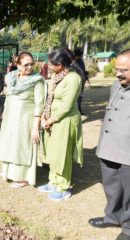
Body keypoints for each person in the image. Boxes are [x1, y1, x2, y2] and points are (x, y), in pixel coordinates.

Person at [88, 49, 130, 240]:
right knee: (111, 185)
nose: (119, 73)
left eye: (125, 70)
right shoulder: (116, 85)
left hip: (128, 150)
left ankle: (128, 229)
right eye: (117, 69)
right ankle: (112, 217)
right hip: (109, 146)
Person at [37, 48, 84, 201]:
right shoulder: (56, 76)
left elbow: (67, 105)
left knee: (62, 154)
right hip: (52, 120)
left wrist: (50, 120)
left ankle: (63, 187)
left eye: (52, 64)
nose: (49, 67)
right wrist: (44, 116)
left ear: (61, 64)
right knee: (53, 153)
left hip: (65, 120)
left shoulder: (73, 79)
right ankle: (53, 182)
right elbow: (49, 98)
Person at [0, 52, 45, 188]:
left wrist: (36, 127)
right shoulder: (10, 78)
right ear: (18, 65)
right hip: (10, 118)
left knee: (22, 146)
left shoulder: (37, 81)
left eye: (31, 64)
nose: (30, 67)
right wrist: (4, 114)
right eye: (26, 64)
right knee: (10, 144)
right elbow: (8, 98)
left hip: (25, 121)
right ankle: (8, 172)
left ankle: (23, 178)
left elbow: (39, 105)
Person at [73, 48, 90, 115]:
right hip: (73, 82)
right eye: (77, 56)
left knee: (80, 96)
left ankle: (79, 110)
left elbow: (82, 70)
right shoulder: (70, 61)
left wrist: (85, 74)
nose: (78, 57)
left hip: (81, 81)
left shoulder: (80, 61)